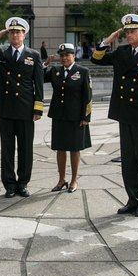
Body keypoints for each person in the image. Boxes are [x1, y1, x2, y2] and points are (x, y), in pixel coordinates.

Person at [91, 14, 138, 217]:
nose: (129, 34)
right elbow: (96, 59)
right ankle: (132, 199)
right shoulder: (121, 51)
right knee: (128, 161)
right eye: (127, 31)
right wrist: (106, 42)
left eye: (133, 31)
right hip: (124, 113)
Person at [0, 17, 44, 197]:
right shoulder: (0, 51)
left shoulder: (33, 55)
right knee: (7, 148)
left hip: (25, 108)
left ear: (24, 34)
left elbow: (38, 82)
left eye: (18, 32)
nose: (15, 35)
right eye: (12, 32)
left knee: (25, 148)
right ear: (9, 35)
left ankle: (23, 182)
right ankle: (9, 185)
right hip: (6, 107)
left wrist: (37, 108)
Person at [43, 43, 92, 192]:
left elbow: (87, 96)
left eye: (67, 55)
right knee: (60, 148)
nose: (64, 58)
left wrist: (86, 117)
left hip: (76, 117)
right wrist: (46, 64)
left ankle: (74, 180)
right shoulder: (55, 71)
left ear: (73, 55)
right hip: (59, 115)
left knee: (75, 149)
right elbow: (39, 77)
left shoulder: (82, 71)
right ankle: (61, 179)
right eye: (62, 55)